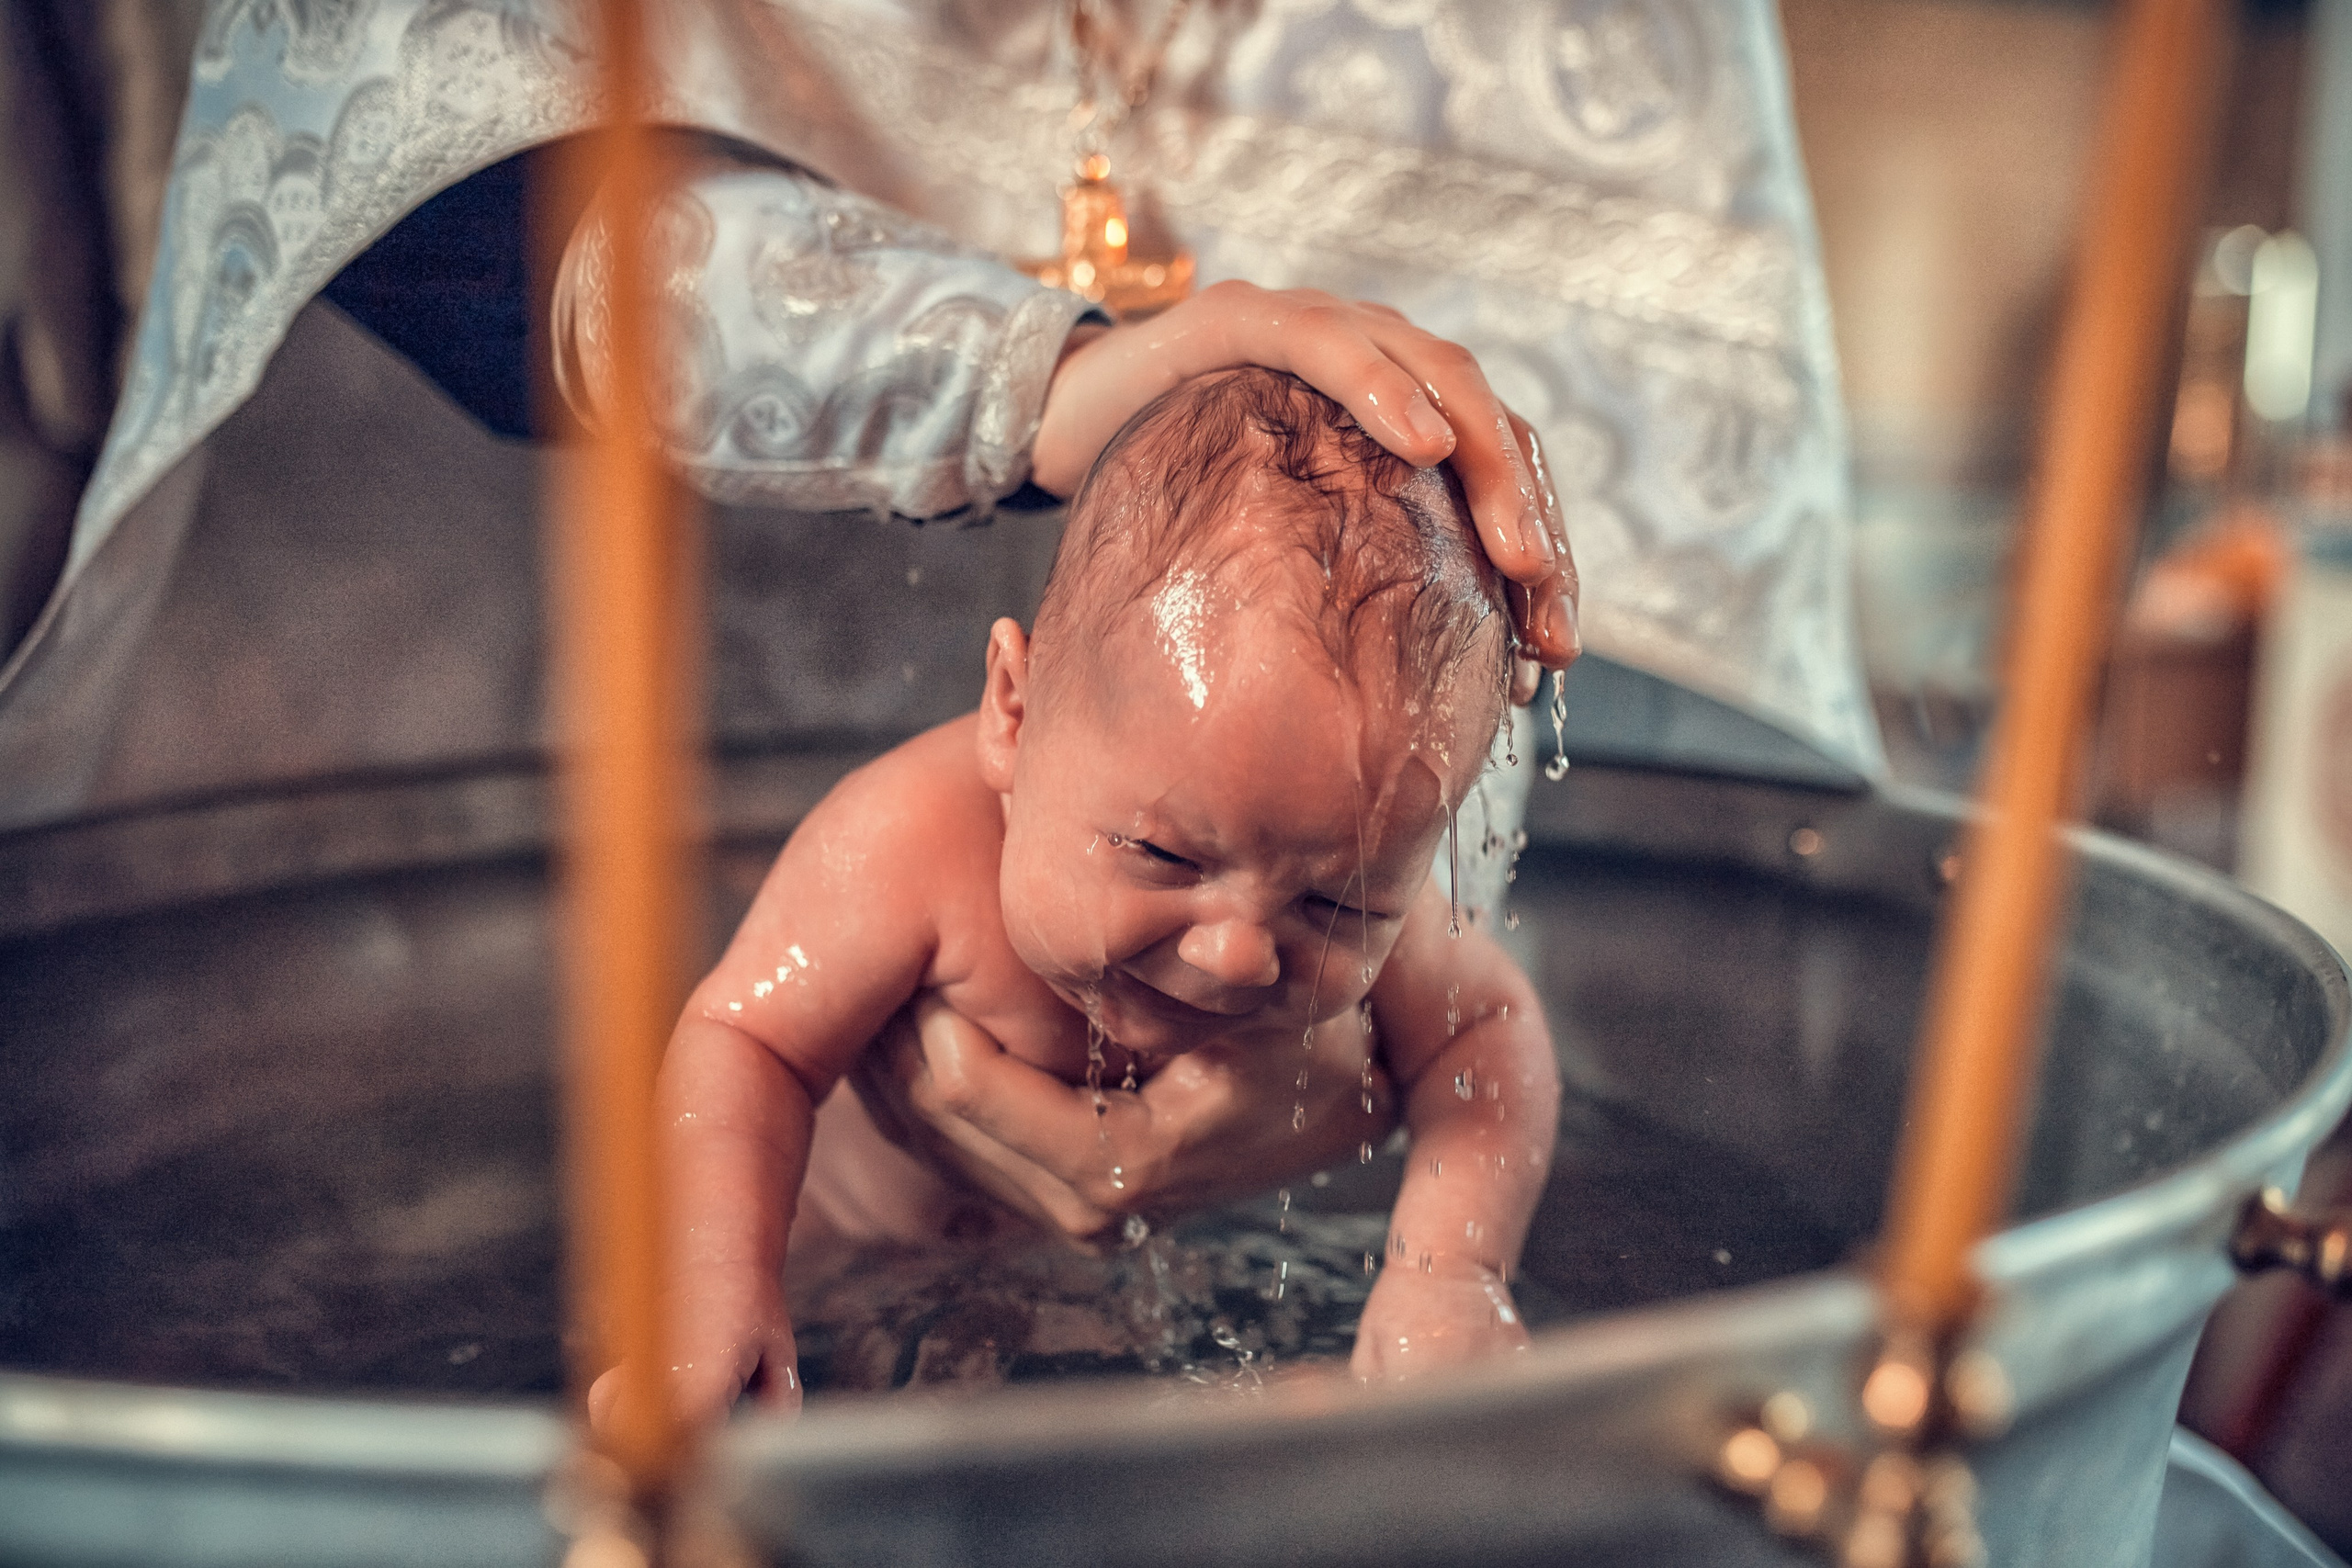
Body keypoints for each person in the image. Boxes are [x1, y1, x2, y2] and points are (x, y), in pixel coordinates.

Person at [594, 367, 1564, 1424]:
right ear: (1012, 713)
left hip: (1105, 1309)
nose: (1238, 954)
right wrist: (716, 1277)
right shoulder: (906, 842)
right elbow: (746, 1042)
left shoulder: (1331, 845)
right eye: (1163, 855)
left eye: (1340, 908)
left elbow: (1487, 1029)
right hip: (846, 1266)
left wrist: (1448, 1272)